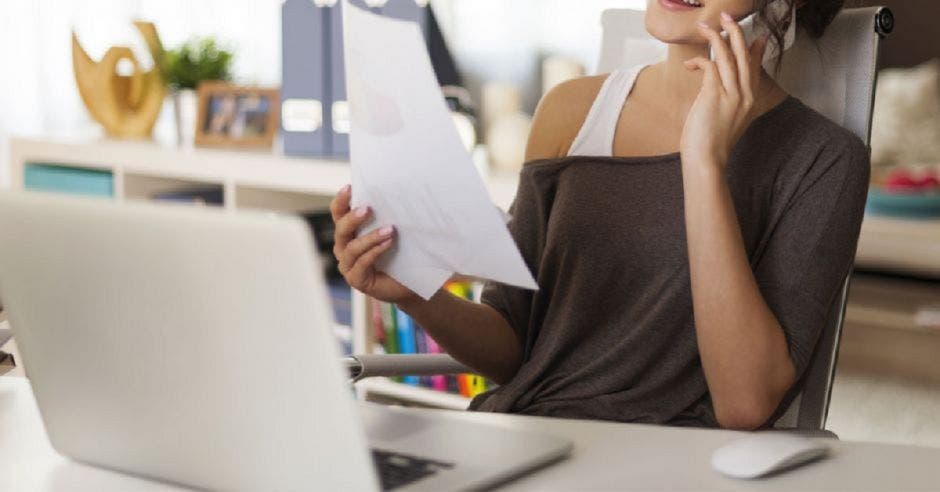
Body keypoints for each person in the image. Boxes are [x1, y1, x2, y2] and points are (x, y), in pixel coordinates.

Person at [329, 0, 869, 430]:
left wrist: (703, 161)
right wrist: (413, 293)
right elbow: (515, 349)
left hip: (671, 462)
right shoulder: (569, 110)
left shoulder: (824, 159)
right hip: (525, 438)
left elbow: (745, 404)